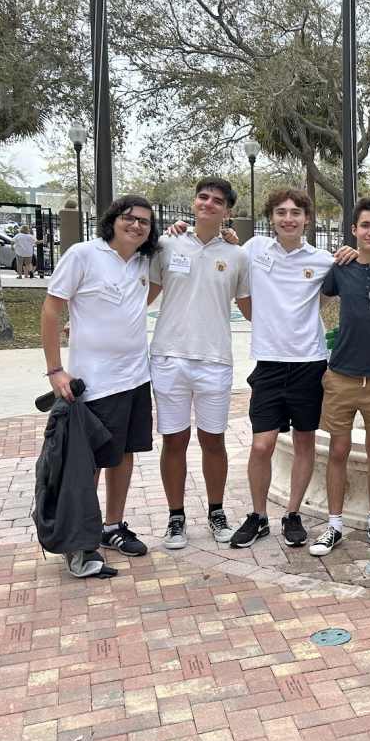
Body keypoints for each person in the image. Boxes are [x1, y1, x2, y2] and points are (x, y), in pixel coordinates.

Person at [40, 194, 162, 570]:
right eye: (130, 218)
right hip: (94, 383)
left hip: (136, 378)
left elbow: (143, 295)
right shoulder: (83, 255)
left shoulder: (143, 261)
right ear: (114, 220)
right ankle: (81, 540)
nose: (136, 225)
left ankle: (112, 526)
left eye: (144, 221)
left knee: (123, 456)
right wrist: (55, 369)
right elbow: (51, 309)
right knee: (86, 463)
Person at [148, 177, 251, 551]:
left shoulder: (237, 255)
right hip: (169, 357)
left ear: (228, 210)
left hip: (215, 359)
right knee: (174, 440)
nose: (209, 204)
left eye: (218, 200)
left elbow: (251, 306)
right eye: (203, 197)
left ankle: (216, 512)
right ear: (193, 203)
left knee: (213, 440)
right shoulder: (165, 243)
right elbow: (141, 294)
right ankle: (176, 518)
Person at [231, 187, 337, 549]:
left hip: (309, 362)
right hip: (269, 364)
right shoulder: (254, 250)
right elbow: (226, 270)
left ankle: (292, 514)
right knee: (262, 445)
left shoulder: (323, 259)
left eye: (295, 212)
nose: (288, 218)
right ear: (271, 218)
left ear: (307, 218)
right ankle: (258, 516)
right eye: (280, 212)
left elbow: (326, 297)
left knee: (305, 442)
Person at [307, 197, 370, 558]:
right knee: (337, 450)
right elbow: (308, 299)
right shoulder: (339, 268)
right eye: (365, 225)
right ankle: (334, 525)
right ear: (354, 229)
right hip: (341, 375)